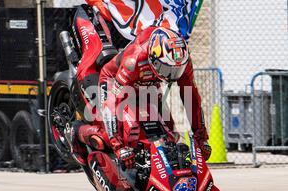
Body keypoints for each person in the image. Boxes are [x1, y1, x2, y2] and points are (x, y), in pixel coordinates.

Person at [66, 24, 211, 168]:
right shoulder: (134, 60)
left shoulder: (182, 61)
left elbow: (191, 99)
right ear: (154, 58)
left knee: (169, 130)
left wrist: (201, 139)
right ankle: (76, 131)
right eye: (166, 68)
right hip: (115, 80)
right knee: (106, 135)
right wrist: (118, 146)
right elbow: (113, 102)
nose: (172, 75)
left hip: (149, 82)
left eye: (176, 70)